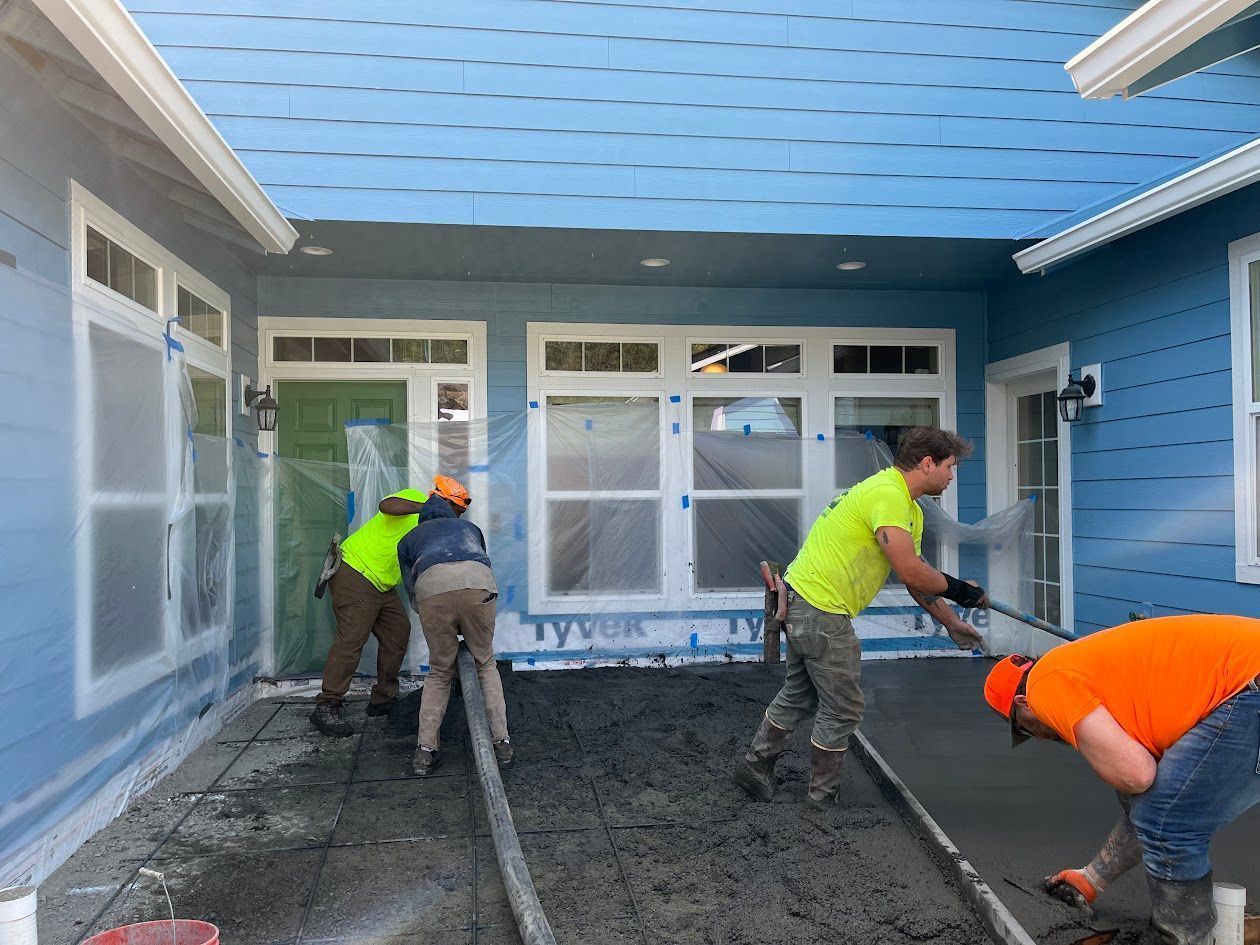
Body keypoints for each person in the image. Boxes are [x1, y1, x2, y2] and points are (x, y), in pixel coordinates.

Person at [733, 426, 989, 808]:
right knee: (843, 707)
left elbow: (916, 579)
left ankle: (755, 767)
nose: (952, 476)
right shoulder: (887, 496)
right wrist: (964, 591)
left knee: (800, 694)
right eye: (950, 467)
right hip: (820, 607)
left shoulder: (906, 507)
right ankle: (822, 799)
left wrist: (952, 624)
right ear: (927, 463)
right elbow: (911, 572)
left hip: (806, 601)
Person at [983, 615, 1260, 945]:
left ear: (1022, 704)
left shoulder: (1045, 685)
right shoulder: (1084, 669)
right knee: (1161, 807)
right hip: (1244, 677)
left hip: (1247, 684)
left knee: (1168, 822)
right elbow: (1147, 797)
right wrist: (1091, 879)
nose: (1039, 736)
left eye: (1026, 728)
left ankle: (1183, 937)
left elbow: (1137, 776)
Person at [397, 475, 512, 776]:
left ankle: (425, 751)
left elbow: (412, 588)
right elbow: (480, 562)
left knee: (439, 671)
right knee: (485, 663)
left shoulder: (409, 539)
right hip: (479, 586)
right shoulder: (469, 529)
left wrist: (436, 620)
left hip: (432, 591)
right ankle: (501, 743)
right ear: (452, 510)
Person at [309, 486, 432, 737]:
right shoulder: (416, 499)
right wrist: (424, 507)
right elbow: (386, 506)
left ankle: (383, 700)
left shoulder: (433, 528)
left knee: (397, 632)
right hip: (355, 570)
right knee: (352, 639)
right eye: (452, 507)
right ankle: (327, 704)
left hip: (381, 583)